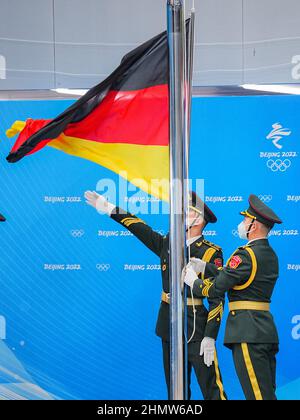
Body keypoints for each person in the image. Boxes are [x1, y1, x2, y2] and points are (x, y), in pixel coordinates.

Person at [85, 190, 227, 400]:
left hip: (195, 325)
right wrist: (109, 208)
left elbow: (217, 296)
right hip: (168, 322)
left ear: (197, 219)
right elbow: (140, 229)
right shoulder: (169, 244)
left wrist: (210, 335)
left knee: (211, 389)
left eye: (186, 212)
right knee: (176, 391)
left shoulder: (210, 252)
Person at [184, 194, 282, 400]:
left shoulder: (245, 255)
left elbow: (216, 289)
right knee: (266, 393)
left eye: (246, 220)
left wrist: (194, 281)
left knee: (257, 395)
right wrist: (207, 267)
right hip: (264, 330)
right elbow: (237, 277)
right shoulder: (269, 254)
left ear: (254, 226)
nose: (242, 223)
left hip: (247, 332)